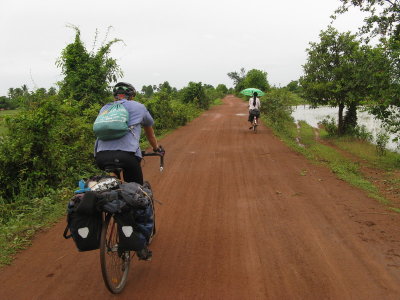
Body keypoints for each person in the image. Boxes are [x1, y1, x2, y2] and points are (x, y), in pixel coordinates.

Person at [94, 81, 164, 260]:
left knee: (113, 190)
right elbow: (150, 132)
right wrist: (156, 149)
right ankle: (139, 243)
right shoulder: (139, 107)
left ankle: (115, 215)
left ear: (115, 96)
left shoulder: (106, 109)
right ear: (132, 95)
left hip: (101, 157)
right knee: (138, 196)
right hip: (127, 157)